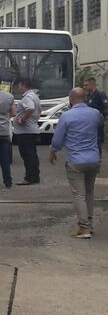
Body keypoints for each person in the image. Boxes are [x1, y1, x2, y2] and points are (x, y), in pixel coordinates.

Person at [49, 87, 104, 239]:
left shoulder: (67, 116)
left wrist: (53, 151)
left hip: (76, 161)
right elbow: (99, 127)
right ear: (85, 98)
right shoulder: (95, 114)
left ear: (70, 99)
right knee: (89, 192)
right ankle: (90, 224)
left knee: (79, 195)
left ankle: (84, 228)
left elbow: (58, 140)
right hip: (94, 159)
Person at [12, 77, 42, 185]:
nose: (19, 87)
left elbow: (30, 109)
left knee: (27, 155)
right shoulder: (35, 96)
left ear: (23, 85)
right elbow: (38, 111)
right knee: (32, 155)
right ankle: (34, 176)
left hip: (25, 132)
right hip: (32, 130)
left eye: (19, 85)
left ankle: (30, 177)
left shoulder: (27, 97)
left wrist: (22, 120)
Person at [83, 77, 108, 156]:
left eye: (86, 85)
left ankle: (98, 158)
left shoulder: (100, 94)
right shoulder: (88, 95)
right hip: (88, 123)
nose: (84, 87)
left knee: (97, 141)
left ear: (92, 85)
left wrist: (101, 117)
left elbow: (107, 107)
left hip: (97, 122)